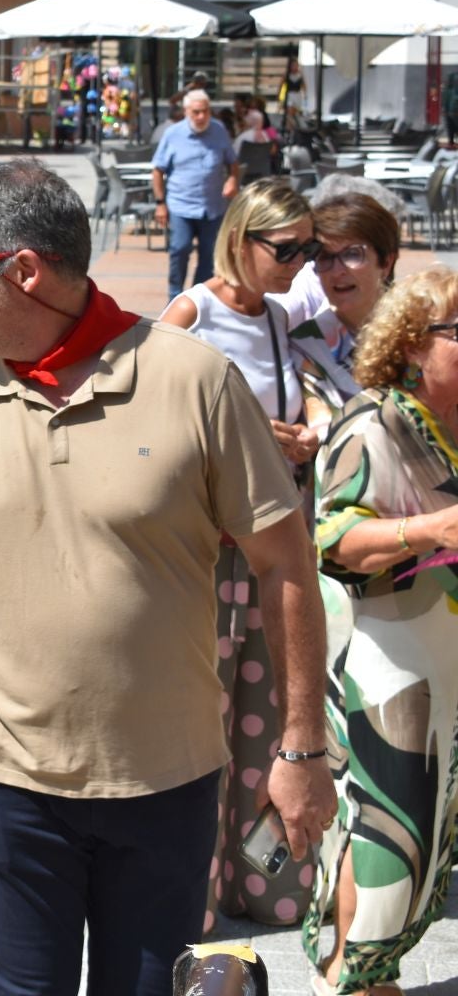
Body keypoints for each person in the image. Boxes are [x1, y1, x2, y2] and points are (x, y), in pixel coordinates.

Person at [0, 159, 334, 995]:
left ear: (25, 271)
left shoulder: (196, 382)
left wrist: (302, 746)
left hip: (167, 780)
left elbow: (286, 567)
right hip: (5, 786)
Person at [159, 180, 322, 929]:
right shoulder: (195, 311)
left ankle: (265, 884)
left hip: (276, 548)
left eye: (306, 249)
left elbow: (319, 388)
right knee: (204, 726)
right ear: (241, 239)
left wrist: (309, 424)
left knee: (269, 724)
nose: (297, 263)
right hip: (212, 552)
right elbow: (156, 417)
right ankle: (188, 898)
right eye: (284, 248)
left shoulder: (287, 317)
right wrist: (255, 428)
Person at [306, 267, 458, 995]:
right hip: (386, 668)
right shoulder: (373, 421)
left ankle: (378, 975)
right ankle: (348, 976)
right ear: (413, 345)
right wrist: (431, 528)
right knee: (386, 839)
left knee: (429, 849)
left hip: (448, 663)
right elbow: (332, 538)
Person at [285, 195, 403, 433]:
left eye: (352, 254)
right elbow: (324, 433)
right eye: (325, 257)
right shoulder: (307, 345)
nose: (337, 271)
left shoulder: (425, 328)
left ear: (386, 262)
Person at [152, 89, 241, 298]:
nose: (201, 117)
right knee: (179, 249)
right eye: (196, 112)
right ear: (186, 112)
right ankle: (175, 297)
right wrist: (160, 203)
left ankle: (198, 299)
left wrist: (232, 179)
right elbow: (157, 170)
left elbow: (233, 162)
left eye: (205, 111)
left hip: (212, 207)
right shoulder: (173, 135)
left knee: (209, 256)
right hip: (181, 205)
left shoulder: (219, 131)